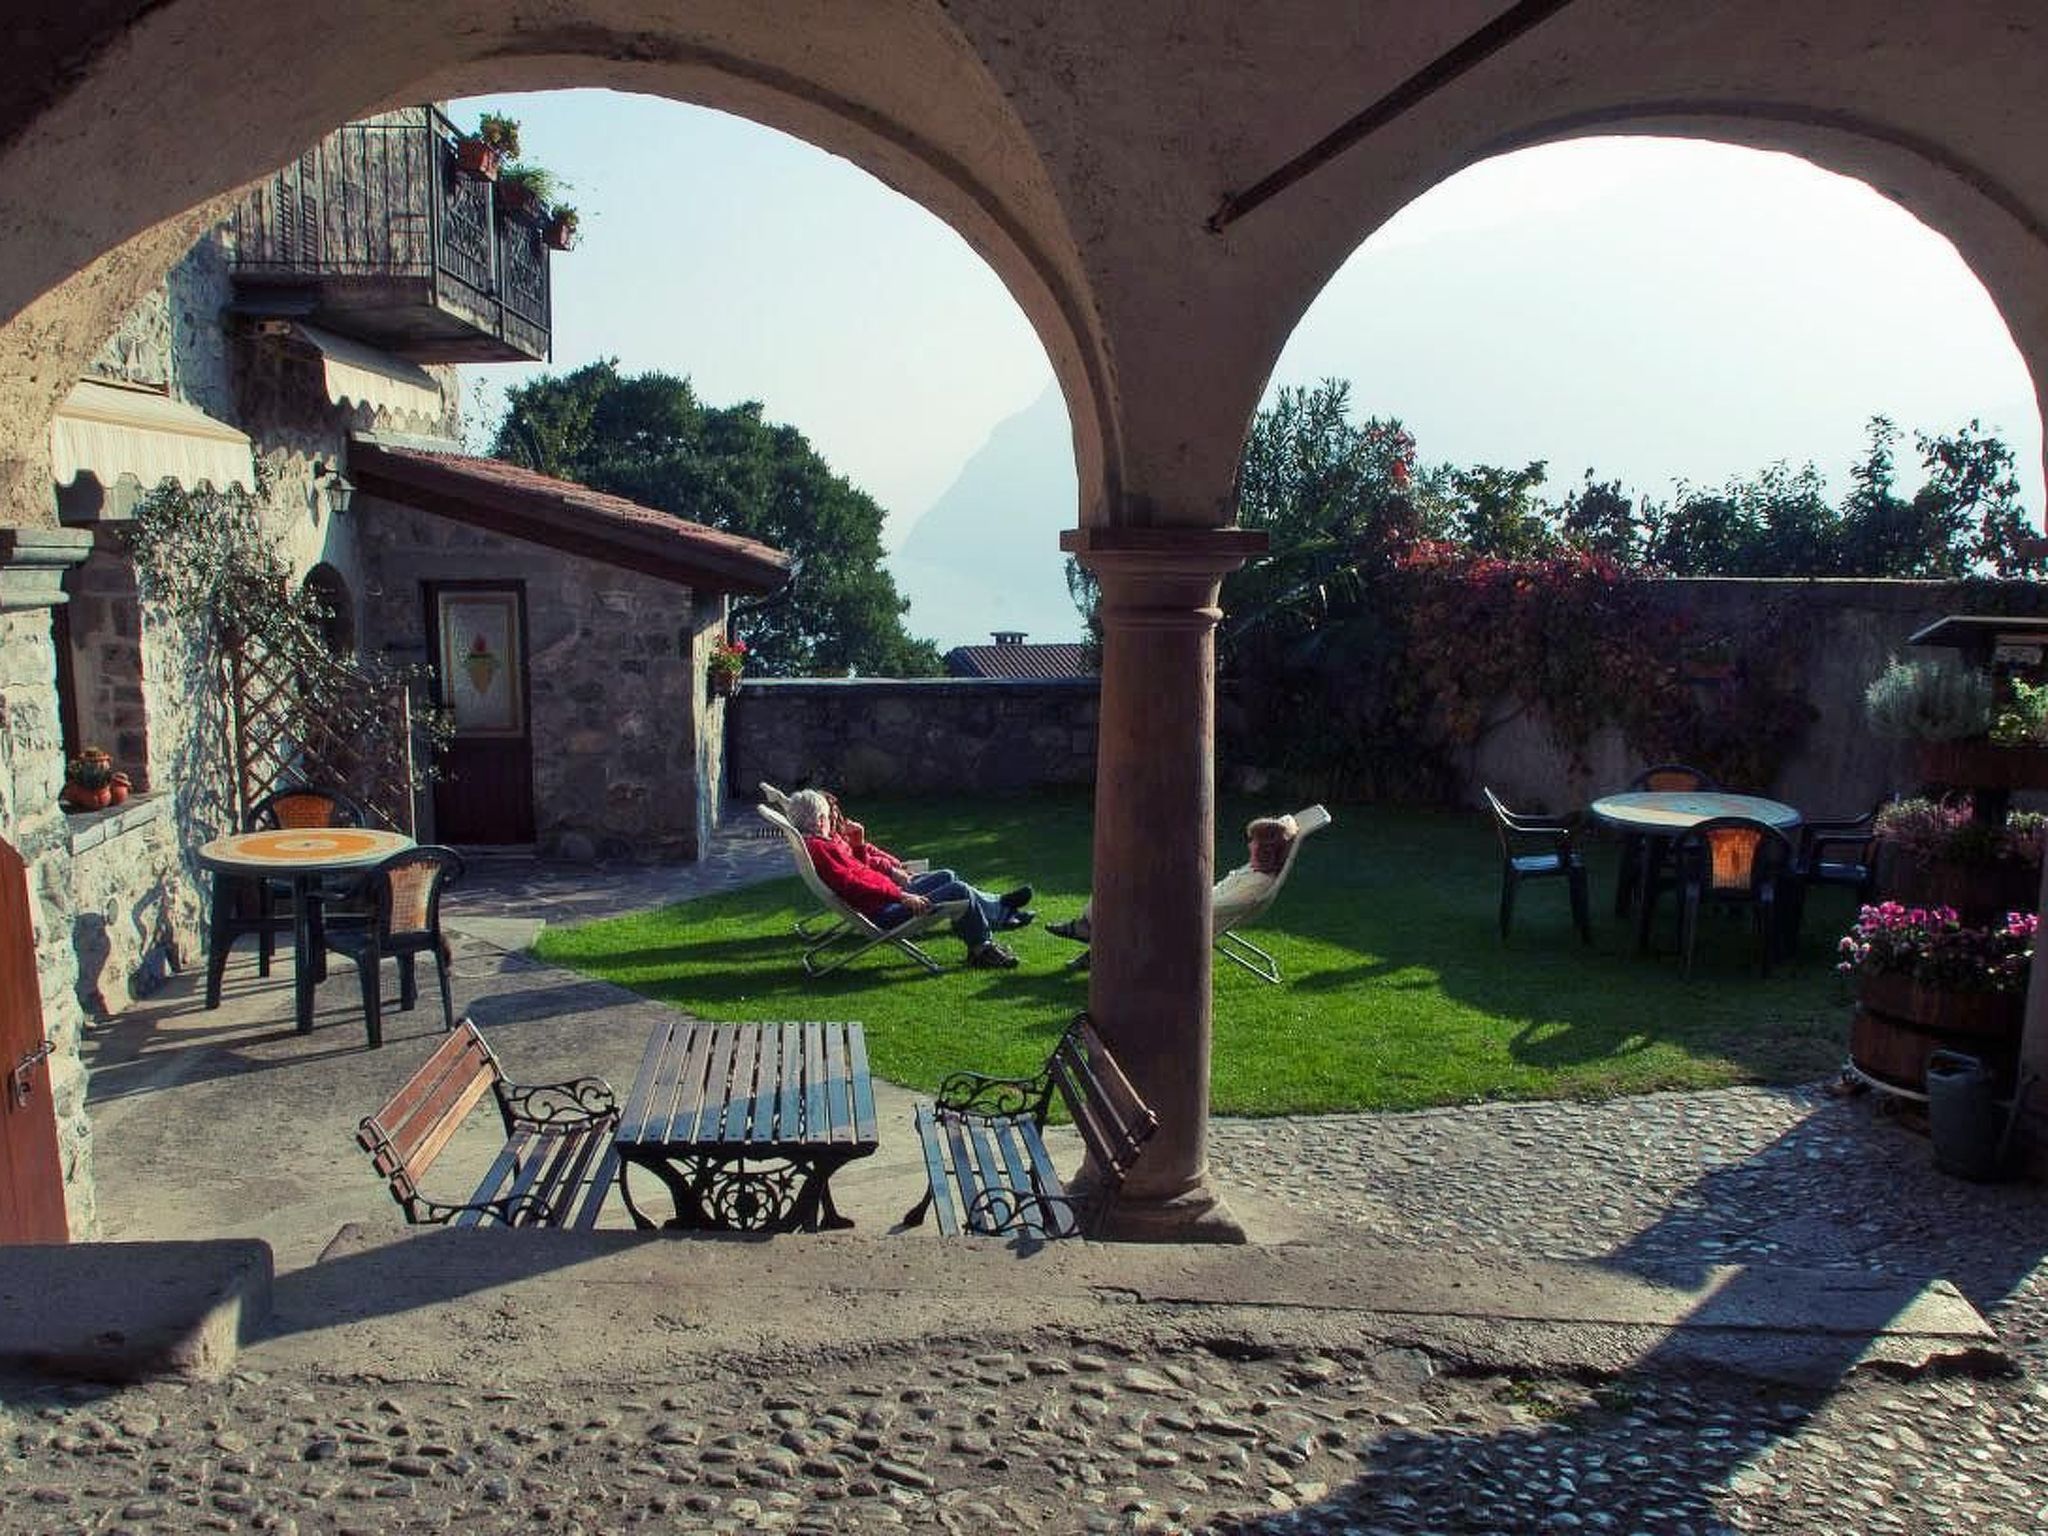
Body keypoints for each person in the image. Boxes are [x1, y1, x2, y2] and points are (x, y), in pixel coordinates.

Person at [784, 789, 1033, 969]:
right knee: (958, 890)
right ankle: (982, 949)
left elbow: (857, 870)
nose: (832, 821)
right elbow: (852, 884)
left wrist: (859, 845)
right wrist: (902, 895)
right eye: (829, 816)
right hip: (885, 912)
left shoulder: (820, 845)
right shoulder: (820, 848)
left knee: (946, 875)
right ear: (819, 820)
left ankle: (997, 911)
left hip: (887, 898)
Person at [1047, 813, 1298, 951]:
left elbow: (1213, 909)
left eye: (1253, 840)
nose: (1249, 843)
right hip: (1190, 908)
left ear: (1264, 849)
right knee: (1122, 884)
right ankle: (1092, 937)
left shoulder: (1256, 883)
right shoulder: (1256, 871)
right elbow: (1288, 821)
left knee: (1119, 890)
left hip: (1186, 921)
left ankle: (1089, 935)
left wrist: (1176, 903)